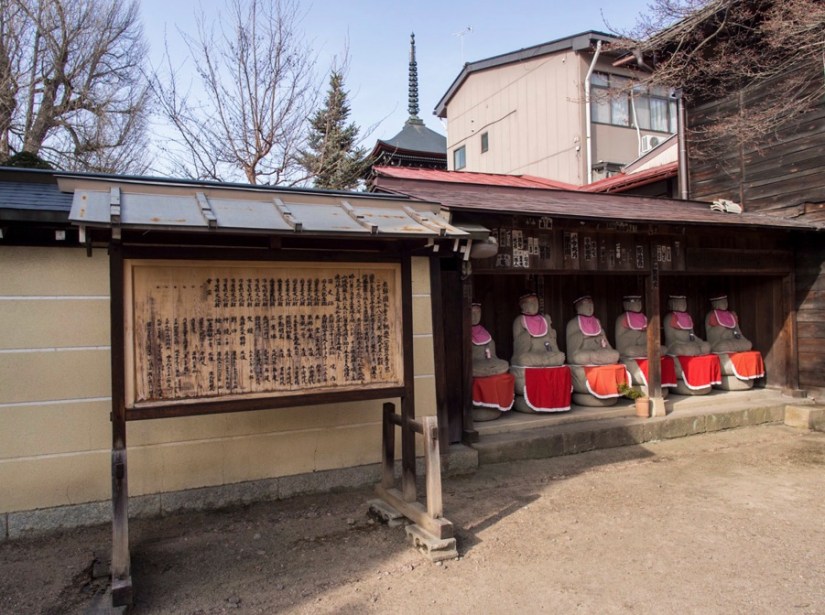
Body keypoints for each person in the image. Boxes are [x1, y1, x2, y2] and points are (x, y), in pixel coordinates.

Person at [565, 295, 619, 365]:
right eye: (586, 303)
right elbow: (571, 346)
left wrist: (602, 334)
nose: (590, 306)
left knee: (616, 354)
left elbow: (606, 343)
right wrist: (582, 335)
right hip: (585, 352)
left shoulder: (597, 321)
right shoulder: (573, 323)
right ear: (578, 307)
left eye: (591, 303)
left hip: (598, 351)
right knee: (579, 357)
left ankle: (597, 358)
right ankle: (597, 358)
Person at [471, 302, 510, 377]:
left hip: (489, 362)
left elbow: (493, 357)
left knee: (504, 364)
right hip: (476, 364)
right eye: (472, 312)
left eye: (478, 312)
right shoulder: (464, 333)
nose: (475, 316)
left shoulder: (483, 331)